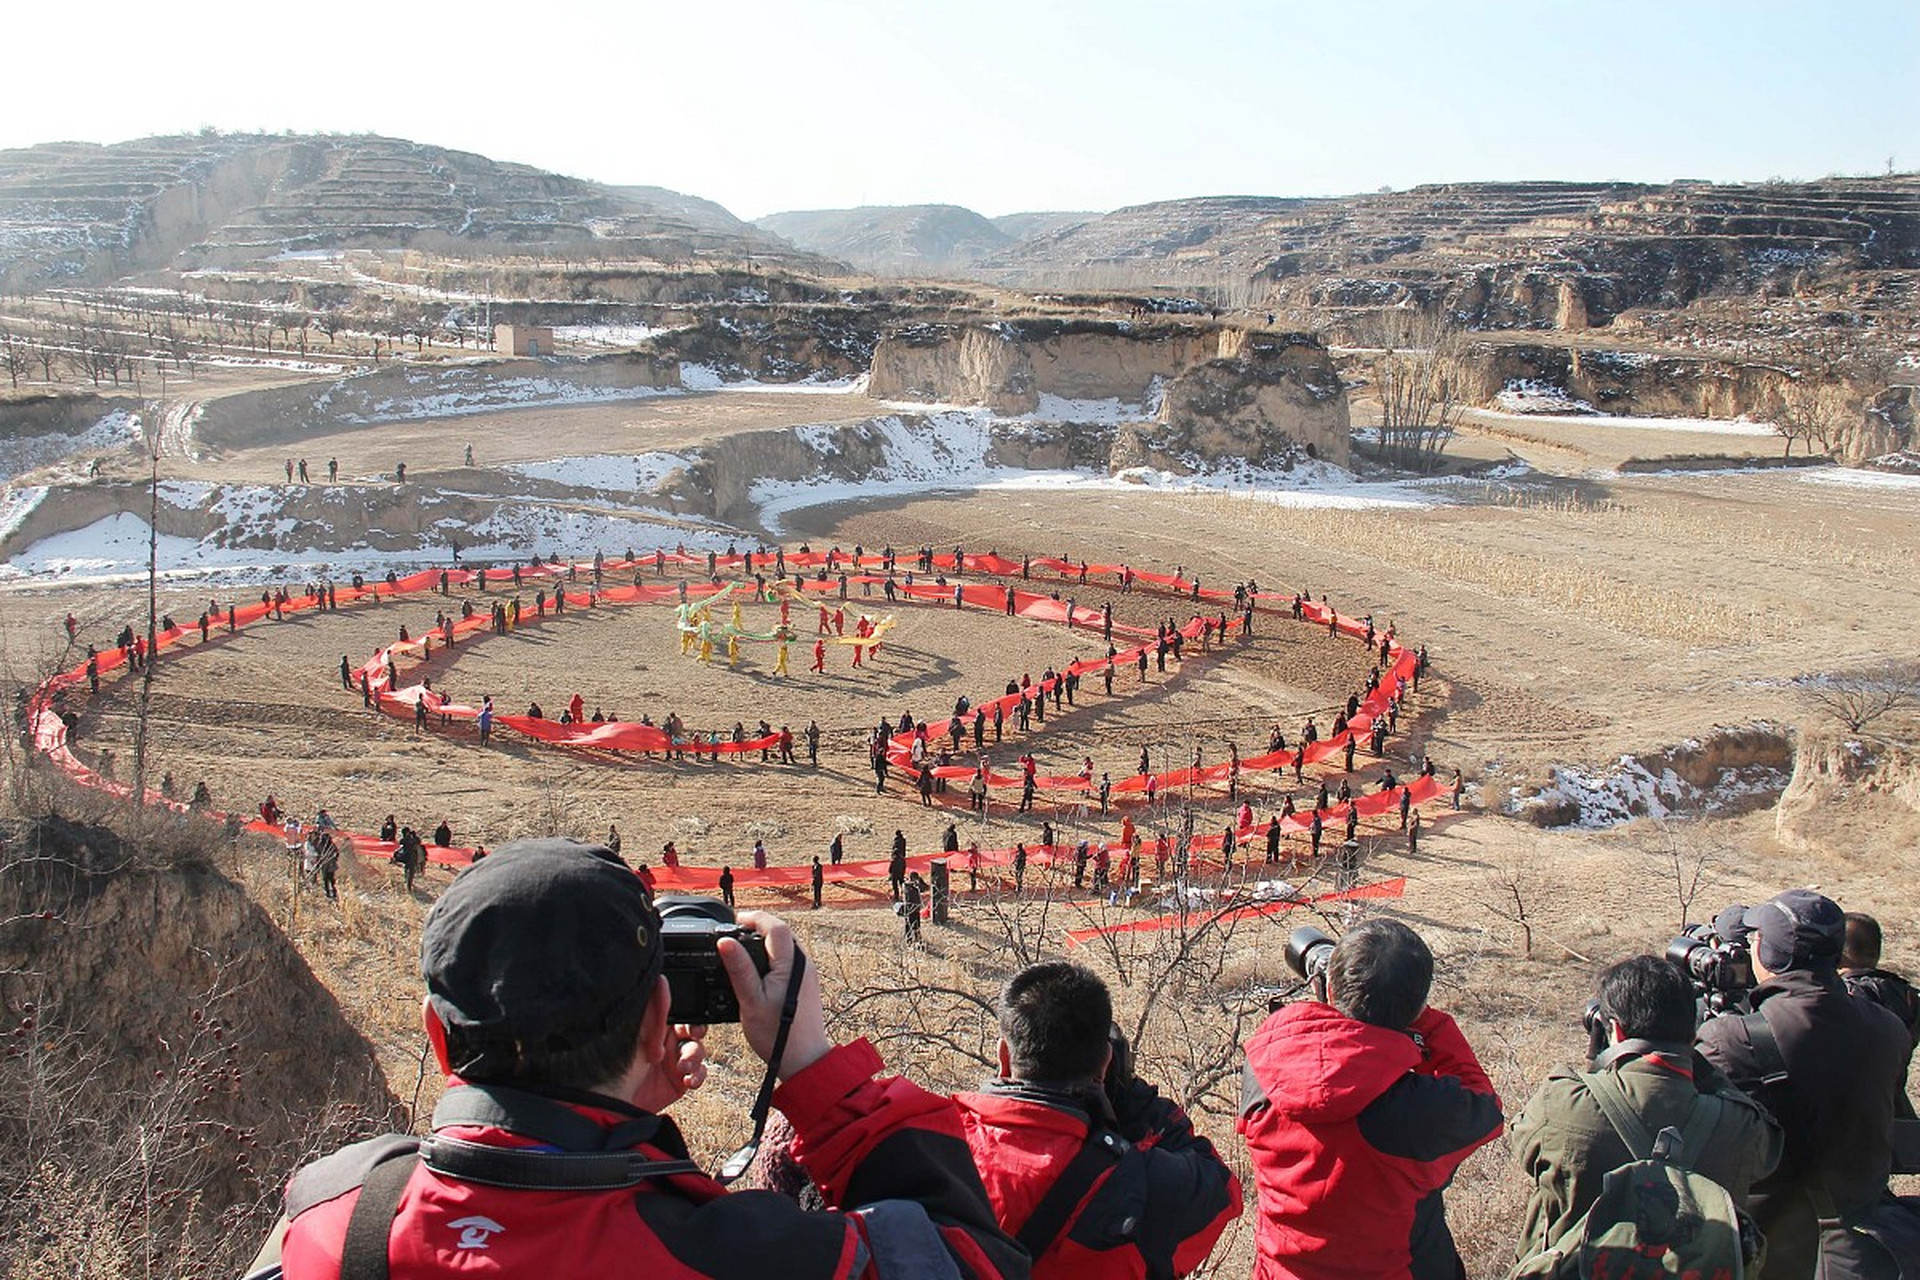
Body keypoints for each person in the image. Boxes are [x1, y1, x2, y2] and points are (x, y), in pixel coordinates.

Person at [247, 839, 1025, 1280]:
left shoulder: (325, 1214)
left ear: (437, 1037)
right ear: (663, 1019)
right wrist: (812, 1064)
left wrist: (613, 1123)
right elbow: (979, 1263)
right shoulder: (745, 1253)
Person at [1238, 918, 1502, 1280]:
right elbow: (1484, 1103)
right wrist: (1426, 1021)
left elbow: (1323, 1067)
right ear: (1417, 1008)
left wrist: (1333, 998)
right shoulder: (1421, 1112)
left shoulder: (1262, 1070)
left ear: (1330, 988)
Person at [952, 962, 1241, 1280]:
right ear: (1105, 1064)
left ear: (1003, 1057)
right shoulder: (1140, 1182)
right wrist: (1132, 1102)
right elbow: (1222, 1189)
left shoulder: (936, 1149)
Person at [1509, 955, 1781, 1266]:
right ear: (1692, 1035)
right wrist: (1700, 1065)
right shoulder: (1739, 1123)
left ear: (1616, 1032)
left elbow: (1525, 1147)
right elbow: (1768, 1157)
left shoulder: (1563, 1103)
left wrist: (1599, 1063)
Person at [1695, 890, 1911, 1279]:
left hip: (1771, 1245)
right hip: (1860, 1241)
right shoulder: (1888, 1029)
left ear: (1775, 955)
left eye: (1757, 938)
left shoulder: (1729, 1039)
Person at [901, 872, 925, 946]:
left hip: (915, 909)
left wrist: (919, 882)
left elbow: (924, 888)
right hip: (910, 909)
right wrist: (915, 884)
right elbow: (909, 896)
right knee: (910, 925)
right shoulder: (908, 886)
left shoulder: (914, 886)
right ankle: (909, 940)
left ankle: (917, 939)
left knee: (916, 925)